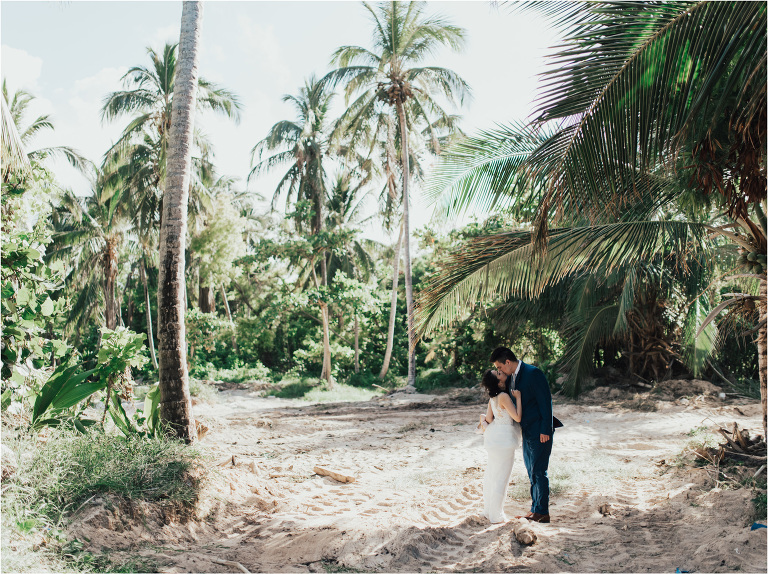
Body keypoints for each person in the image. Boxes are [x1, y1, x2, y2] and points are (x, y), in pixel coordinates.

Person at [491, 346, 555, 524]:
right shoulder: (511, 377)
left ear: (508, 362)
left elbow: (546, 402)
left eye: (500, 367)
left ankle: (542, 512)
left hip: (539, 431)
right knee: (531, 471)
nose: (499, 370)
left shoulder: (533, 373)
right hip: (526, 431)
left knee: (539, 471)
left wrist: (545, 430)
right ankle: (535, 509)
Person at [479, 369, 522, 524]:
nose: (501, 372)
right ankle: (496, 515)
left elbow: (489, 419)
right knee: (502, 477)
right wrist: (518, 398)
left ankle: (489, 510)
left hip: (495, 438)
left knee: (492, 474)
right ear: (499, 382)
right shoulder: (503, 396)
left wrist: (482, 419)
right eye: (498, 373)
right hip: (505, 439)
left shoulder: (493, 398)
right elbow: (517, 416)